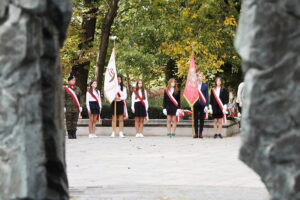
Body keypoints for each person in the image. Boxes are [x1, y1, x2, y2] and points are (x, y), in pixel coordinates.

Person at [64, 75, 82, 139]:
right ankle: (69, 134)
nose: (73, 81)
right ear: (69, 81)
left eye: (74, 80)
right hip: (68, 108)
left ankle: (74, 134)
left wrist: (81, 106)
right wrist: (64, 107)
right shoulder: (65, 89)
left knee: (75, 121)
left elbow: (80, 98)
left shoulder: (77, 88)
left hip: (76, 108)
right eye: (72, 80)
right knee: (68, 121)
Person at [193, 72, 209, 138]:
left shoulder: (205, 85)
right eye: (199, 76)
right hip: (195, 103)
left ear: (203, 77)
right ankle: (196, 133)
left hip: (202, 104)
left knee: (202, 119)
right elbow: (192, 95)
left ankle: (200, 133)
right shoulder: (194, 85)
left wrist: (206, 105)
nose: (200, 77)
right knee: (195, 119)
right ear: (197, 77)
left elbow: (206, 96)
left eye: (201, 76)